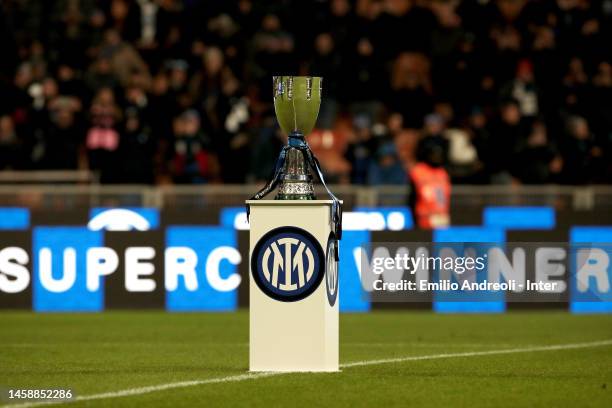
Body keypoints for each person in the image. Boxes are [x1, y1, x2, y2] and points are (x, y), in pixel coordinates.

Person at [408, 142, 451, 229]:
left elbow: (446, 196)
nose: (437, 157)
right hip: (424, 217)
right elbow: (412, 197)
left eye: (439, 155)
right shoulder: (418, 171)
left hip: (442, 217)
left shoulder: (443, 172)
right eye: (434, 154)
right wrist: (414, 218)